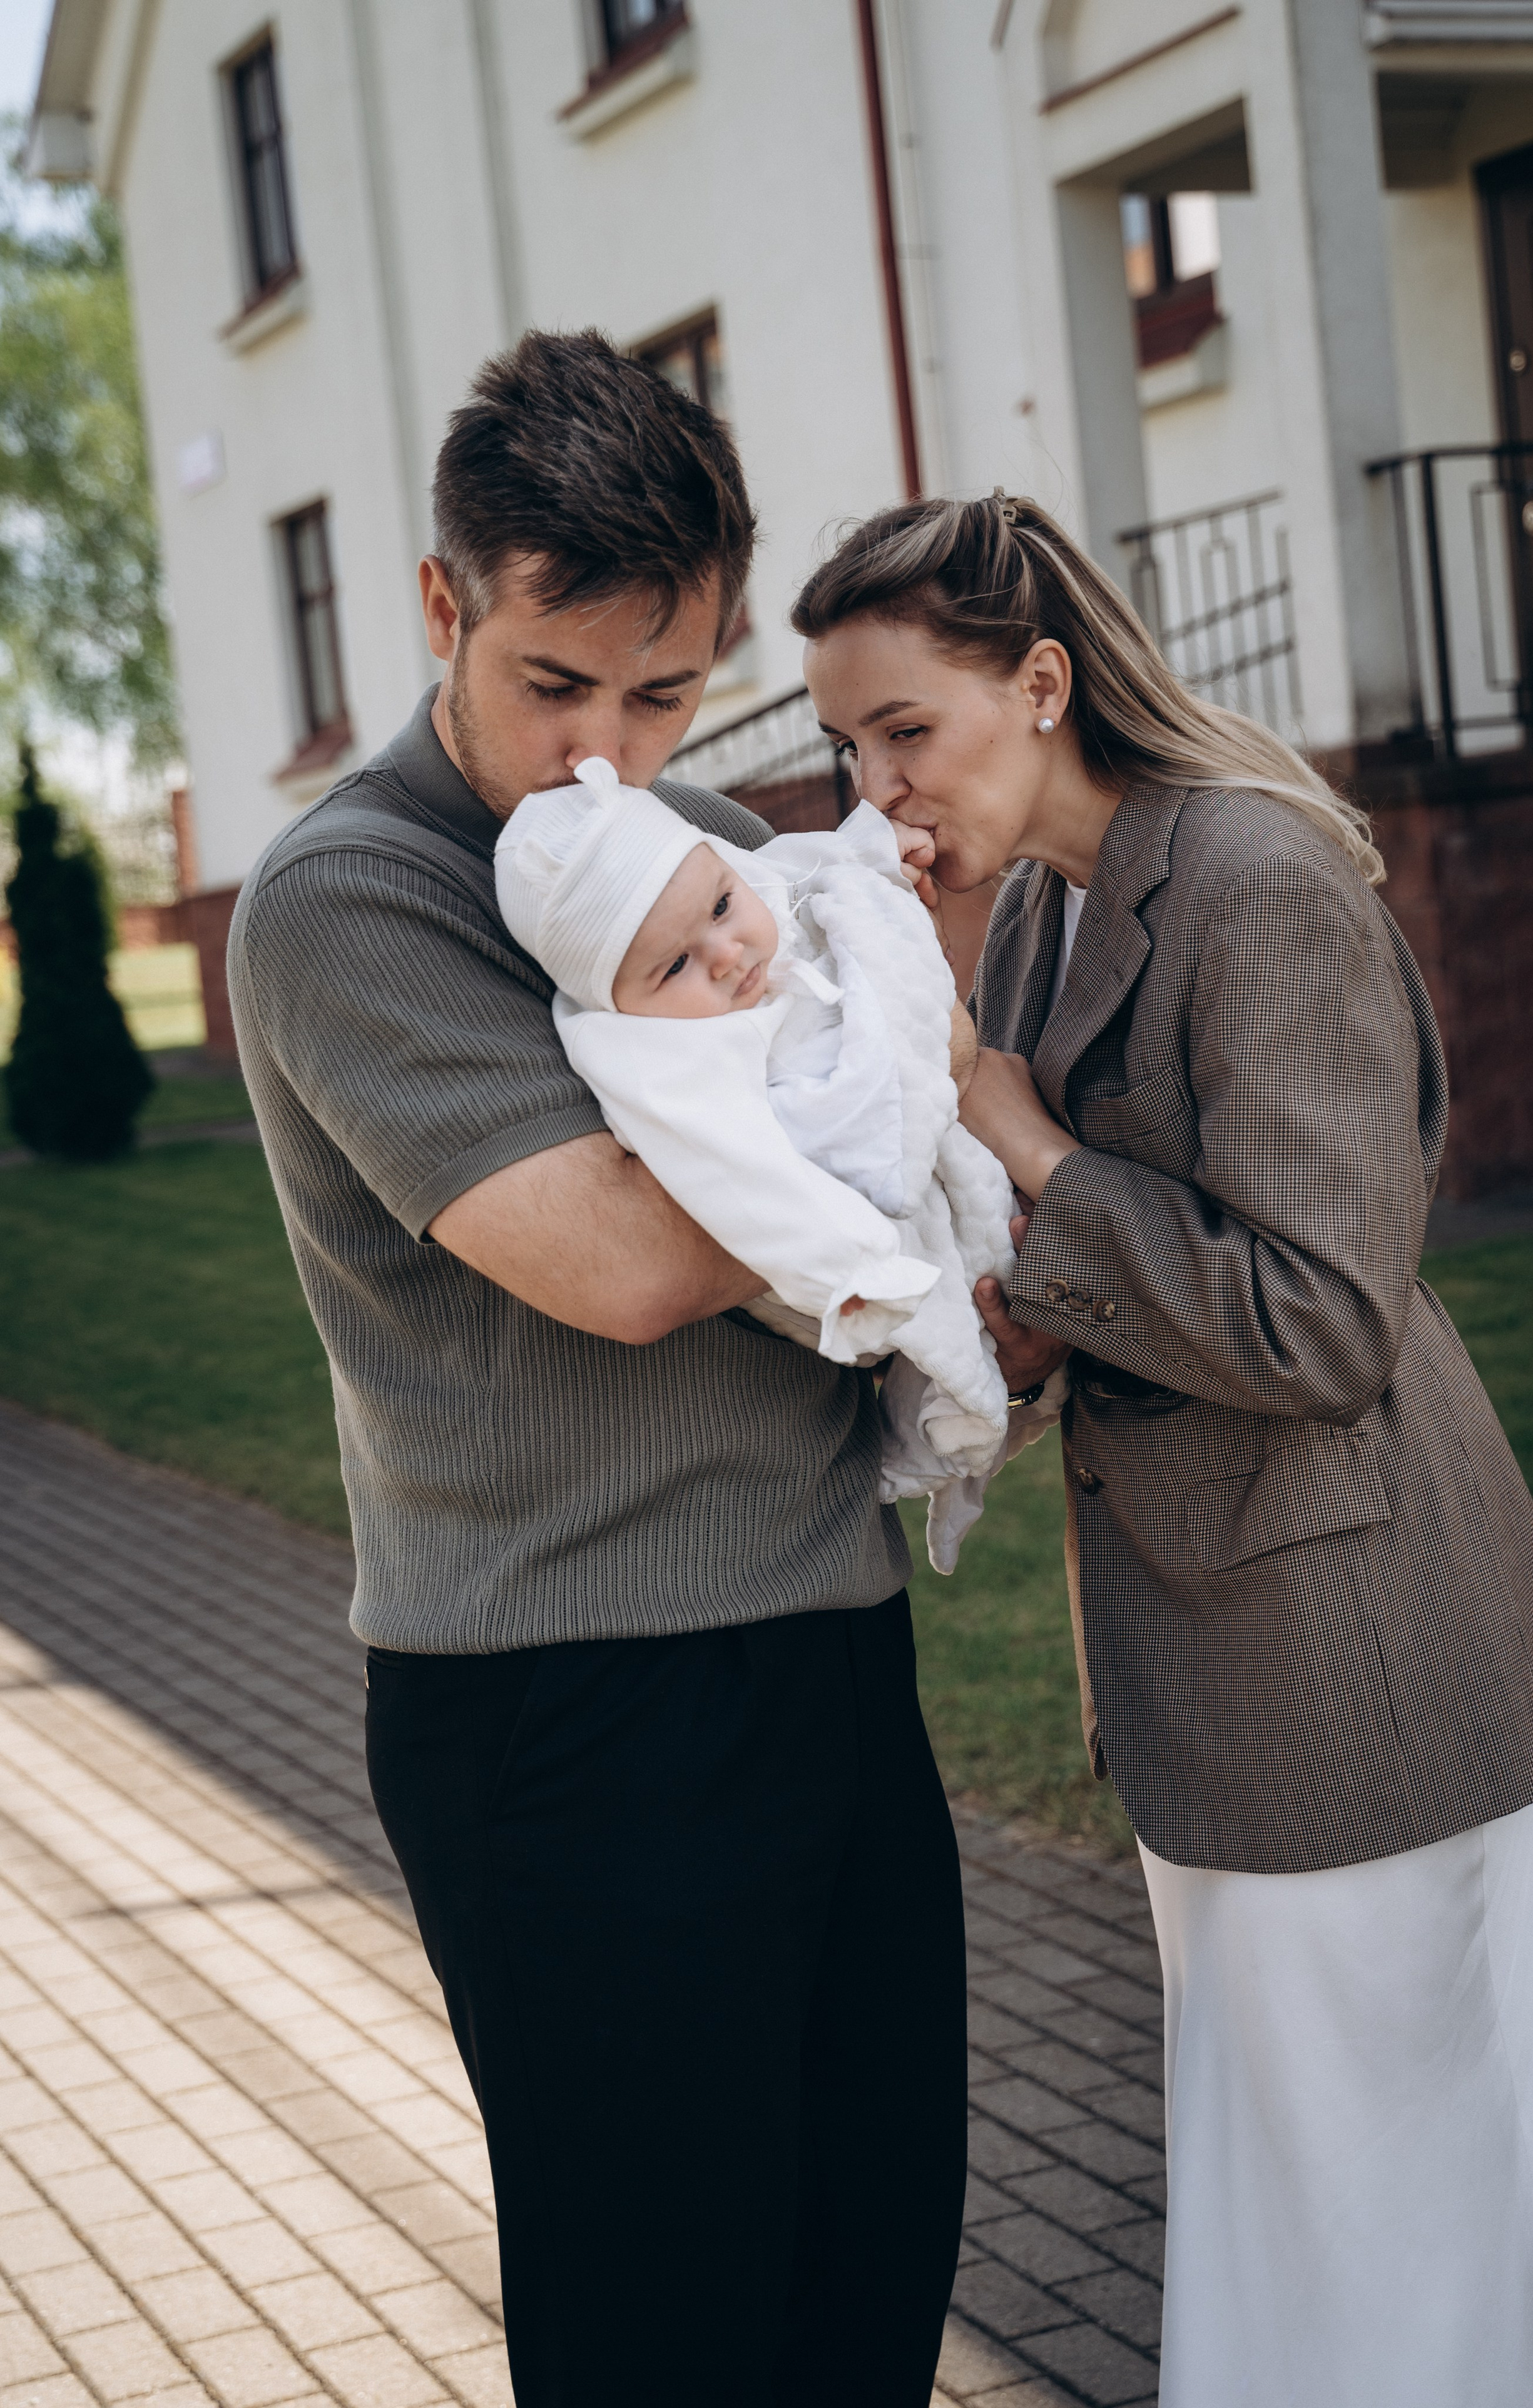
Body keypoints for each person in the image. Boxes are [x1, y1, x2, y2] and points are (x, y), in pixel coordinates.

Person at [795, 489, 1533, 2408]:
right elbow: (1133, 1259)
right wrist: (1025, 1321)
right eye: (847, 746)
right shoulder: (1046, 906)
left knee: (1405, 2192)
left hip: (1350, 1653)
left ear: (1042, 684)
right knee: (1304, 2182)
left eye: (905, 729)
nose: (879, 787)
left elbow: (1318, 1316)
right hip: (1215, 1660)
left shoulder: (1253, 877)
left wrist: (1029, 1142)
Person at [226, 331, 967, 2408]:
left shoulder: (691, 836)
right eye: (559, 682)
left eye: (666, 693)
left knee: (869, 2282)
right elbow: (633, 1265)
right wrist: (883, 1113)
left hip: (830, 1652)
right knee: (665, 2334)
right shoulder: (347, 898)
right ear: (442, 603)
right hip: (568, 1708)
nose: (606, 758)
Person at [492, 752, 1041, 1566]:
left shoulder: (736, 886)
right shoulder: (656, 1066)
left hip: (922, 1133)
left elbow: (803, 865)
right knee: (948, 1328)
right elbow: (748, 1186)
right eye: (675, 965)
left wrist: (875, 851)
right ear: (618, 1002)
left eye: (721, 906)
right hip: (843, 1229)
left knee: (994, 1246)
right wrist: (851, 1271)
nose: (727, 953)